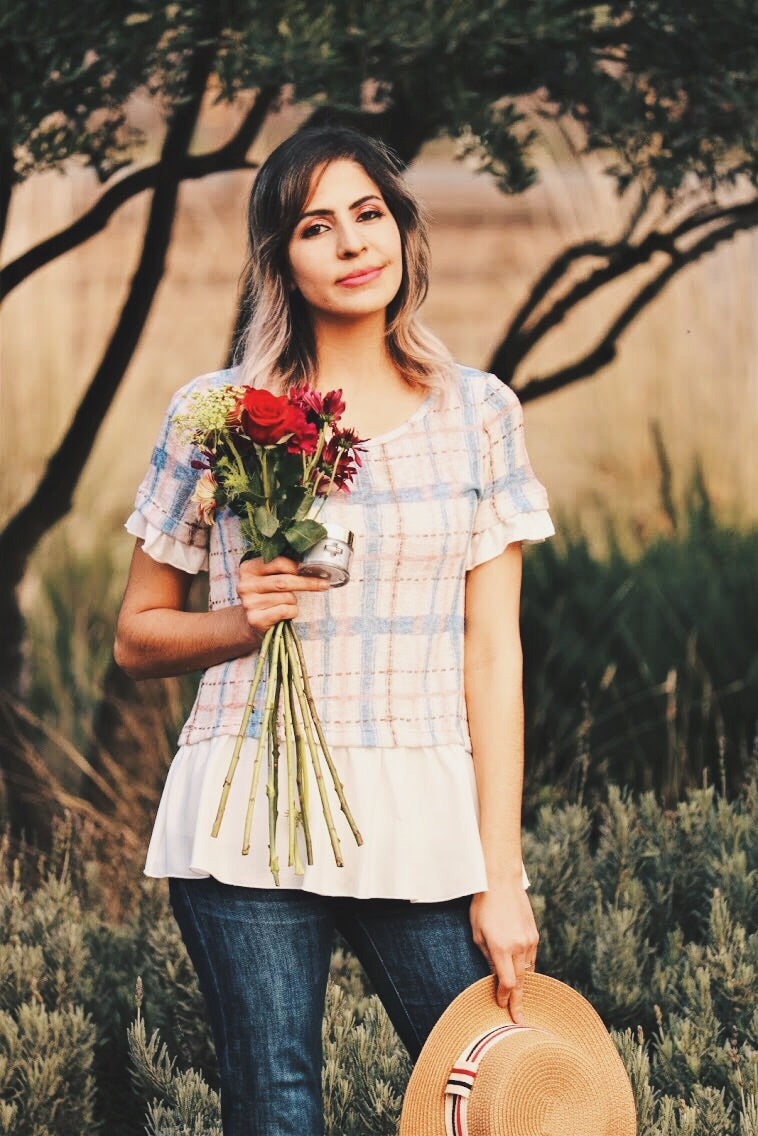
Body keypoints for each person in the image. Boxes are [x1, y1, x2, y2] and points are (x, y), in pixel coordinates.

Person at [115, 124, 555, 1136]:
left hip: (421, 818)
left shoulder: (478, 411)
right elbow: (135, 637)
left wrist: (502, 877)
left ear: (402, 231)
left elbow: (492, 655)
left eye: (369, 215)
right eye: (317, 227)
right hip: (244, 816)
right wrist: (238, 618)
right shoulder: (217, 413)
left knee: (495, 1099)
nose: (352, 244)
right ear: (282, 260)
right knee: (274, 1102)